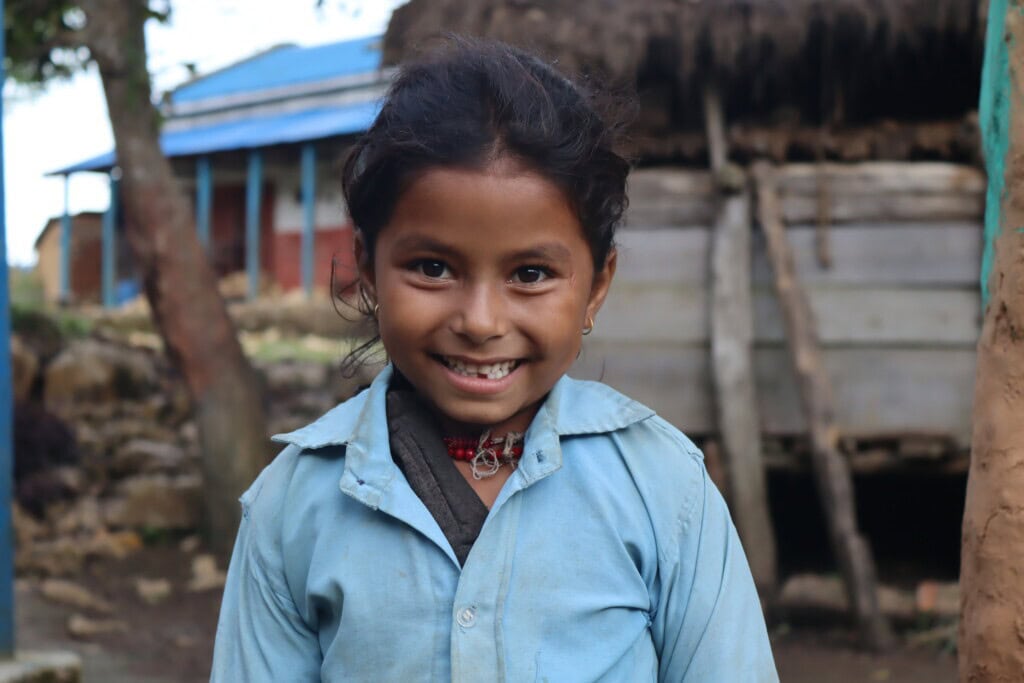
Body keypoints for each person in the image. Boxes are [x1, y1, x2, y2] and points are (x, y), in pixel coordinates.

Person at [211, 38, 778, 682]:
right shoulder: (294, 505)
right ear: (369, 269)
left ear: (595, 287)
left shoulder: (662, 488)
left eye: (530, 274)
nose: (480, 322)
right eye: (432, 268)